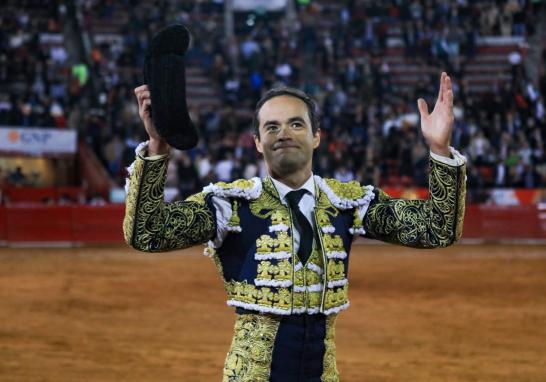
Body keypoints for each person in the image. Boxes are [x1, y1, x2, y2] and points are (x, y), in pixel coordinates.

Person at [124, 72, 466, 381]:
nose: (283, 134)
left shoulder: (346, 202)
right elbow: (147, 233)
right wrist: (157, 148)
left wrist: (439, 149)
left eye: (295, 124)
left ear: (317, 136)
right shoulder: (229, 204)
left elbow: (435, 229)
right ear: (257, 142)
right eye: (271, 127)